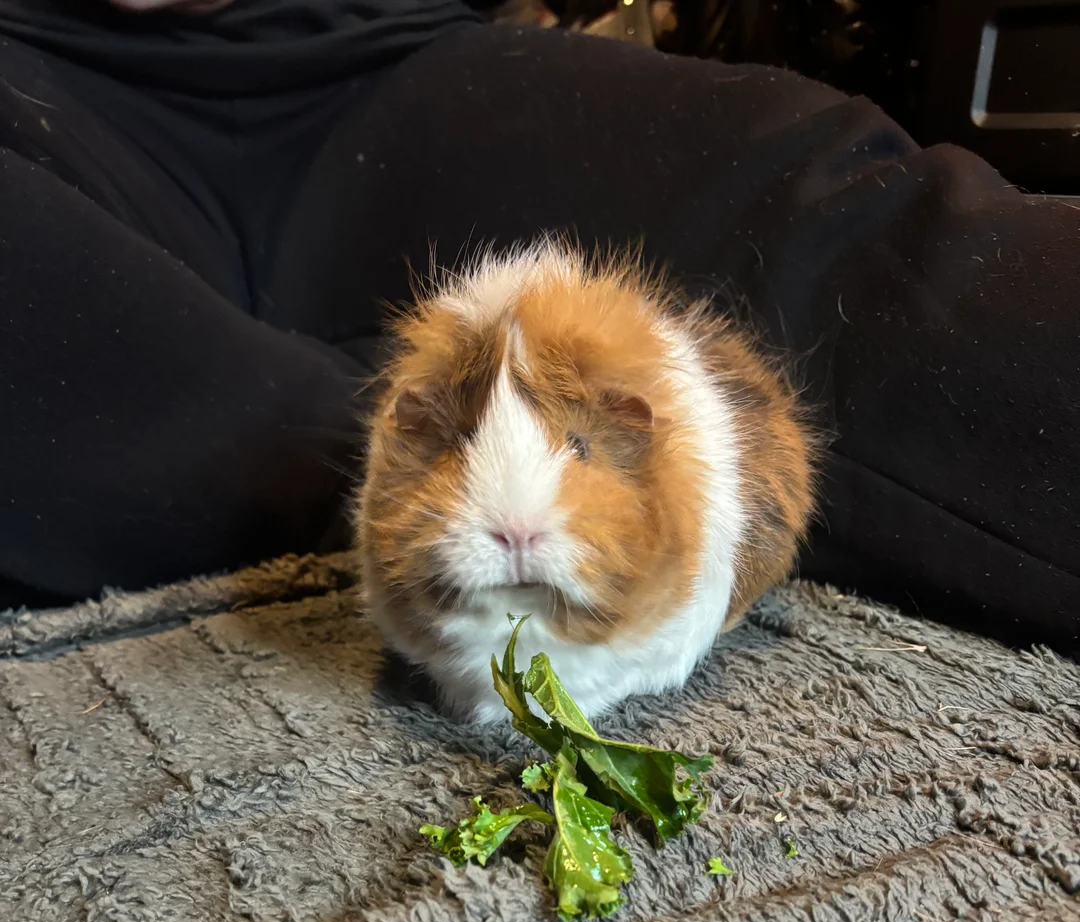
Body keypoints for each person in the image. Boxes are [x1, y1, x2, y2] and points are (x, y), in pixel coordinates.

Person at [0, 0, 1076, 660]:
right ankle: (368, 468)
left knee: (803, 183)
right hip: (42, 76)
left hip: (366, 52)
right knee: (253, 434)